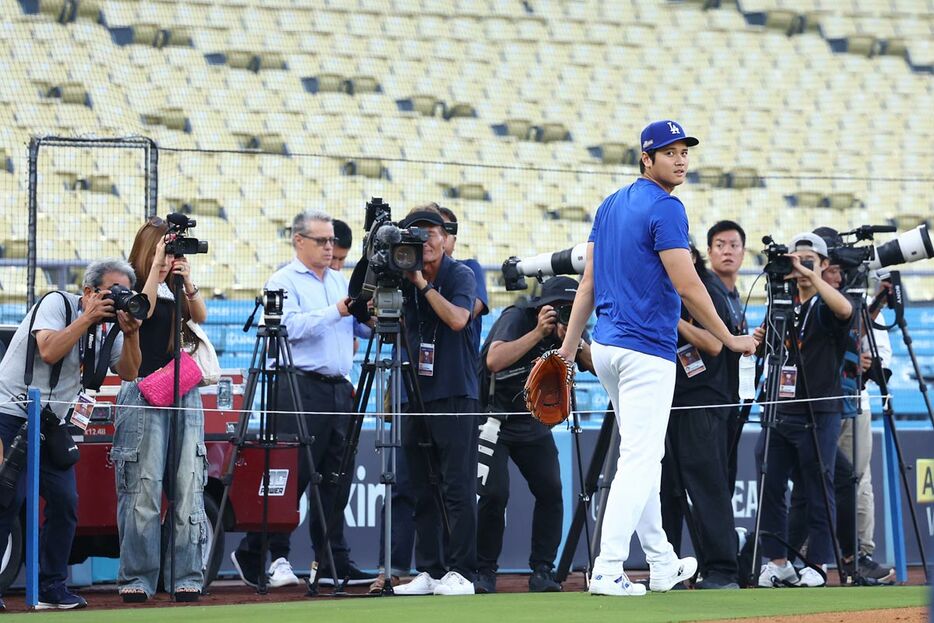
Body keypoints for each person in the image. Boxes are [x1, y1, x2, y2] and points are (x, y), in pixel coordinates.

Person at [556, 119, 756, 597]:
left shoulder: (608, 205)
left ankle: (663, 562)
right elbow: (687, 284)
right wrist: (729, 338)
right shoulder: (666, 207)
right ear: (646, 158)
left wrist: (567, 350)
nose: (681, 158)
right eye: (669, 152)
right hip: (645, 350)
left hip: (605, 347)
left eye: (685, 151)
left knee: (643, 455)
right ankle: (606, 568)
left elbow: (588, 283)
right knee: (642, 459)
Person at [231, 211, 375, 588]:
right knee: (290, 475)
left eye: (331, 242)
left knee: (336, 477)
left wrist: (365, 316)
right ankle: (265, 553)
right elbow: (289, 328)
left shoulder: (339, 280)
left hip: (338, 385)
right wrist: (339, 310)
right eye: (322, 241)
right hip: (297, 384)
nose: (330, 248)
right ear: (299, 241)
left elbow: (353, 325)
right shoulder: (283, 280)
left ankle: (332, 558)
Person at [0, 259, 142, 610]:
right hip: (11, 411)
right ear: (90, 291)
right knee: (6, 501)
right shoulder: (57, 304)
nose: (118, 300)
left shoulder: (107, 329)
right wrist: (87, 318)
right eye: (113, 292)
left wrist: (131, 332)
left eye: (125, 293)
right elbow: (48, 350)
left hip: (52, 423)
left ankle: (52, 587)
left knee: (65, 503)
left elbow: (129, 371)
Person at [370, 204, 490, 594]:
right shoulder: (404, 275)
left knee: (457, 487)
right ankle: (431, 570)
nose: (427, 239)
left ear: (443, 236)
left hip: (455, 393)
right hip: (416, 395)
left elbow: (457, 319)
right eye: (417, 233)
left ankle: (463, 572)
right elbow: (368, 310)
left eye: (433, 232)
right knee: (421, 487)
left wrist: (421, 283)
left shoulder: (462, 273)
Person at [475, 276, 593, 594]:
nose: (566, 315)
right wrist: (538, 333)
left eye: (572, 310)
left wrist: (576, 341)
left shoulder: (573, 330)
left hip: (533, 420)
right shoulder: (518, 317)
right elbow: (494, 360)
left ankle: (542, 570)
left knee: (551, 490)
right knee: (494, 494)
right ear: (544, 308)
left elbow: (598, 368)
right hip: (494, 419)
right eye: (560, 310)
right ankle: (484, 571)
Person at [113, 218, 209, 603]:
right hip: (143, 390)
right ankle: (136, 578)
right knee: (143, 487)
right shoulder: (132, 286)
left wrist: (187, 280)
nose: (172, 258)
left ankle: (185, 573)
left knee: (188, 484)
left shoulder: (176, 288)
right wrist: (154, 269)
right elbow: (141, 314)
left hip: (182, 390)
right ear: (150, 249)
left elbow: (199, 316)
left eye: (174, 253)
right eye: (166, 251)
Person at [753, 232, 853, 588]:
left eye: (809, 261)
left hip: (819, 410)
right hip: (780, 407)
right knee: (770, 479)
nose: (800, 267)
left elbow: (846, 311)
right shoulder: (782, 305)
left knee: (818, 483)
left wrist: (813, 278)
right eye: (796, 260)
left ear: (825, 266)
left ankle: (818, 562)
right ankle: (776, 561)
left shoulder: (826, 306)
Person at [660, 246, 740, 590]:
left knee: (708, 487)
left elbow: (714, 344)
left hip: (703, 403)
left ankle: (722, 570)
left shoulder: (706, 290)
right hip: (667, 400)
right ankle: (668, 568)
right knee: (667, 491)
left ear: (691, 258)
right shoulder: (661, 290)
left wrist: (671, 318)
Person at [704, 220, 749, 492]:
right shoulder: (706, 289)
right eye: (720, 245)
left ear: (744, 252)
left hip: (729, 399)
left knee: (725, 477)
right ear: (709, 252)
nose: (727, 251)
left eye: (734, 245)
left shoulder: (733, 295)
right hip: (708, 401)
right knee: (714, 484)